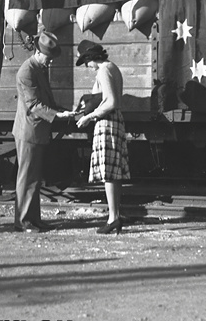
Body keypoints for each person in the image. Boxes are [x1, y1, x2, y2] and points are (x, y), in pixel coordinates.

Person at [13, 31, 75, 233]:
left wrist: (63, 111)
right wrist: (58, 116)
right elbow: (34, 105)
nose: (50, 62)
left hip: (36, 131)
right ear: (38, 52)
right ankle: (22, 222)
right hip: (29, 131)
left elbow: (45, 100)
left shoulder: (38, 68)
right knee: (26, 178)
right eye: (48, 58)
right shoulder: (27, 71)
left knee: (34, 179)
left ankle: (34, 220)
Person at [75, 40, 130, 234]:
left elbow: (111, 102)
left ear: (91, 58)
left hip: (107, 122)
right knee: (113, 173)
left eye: (86, 62)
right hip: (115, 121)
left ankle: (113, 218)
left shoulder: (103, 70)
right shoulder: (112, 67)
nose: (88, 67)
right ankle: (114, 216)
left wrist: (88, 117)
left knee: (108, 172)